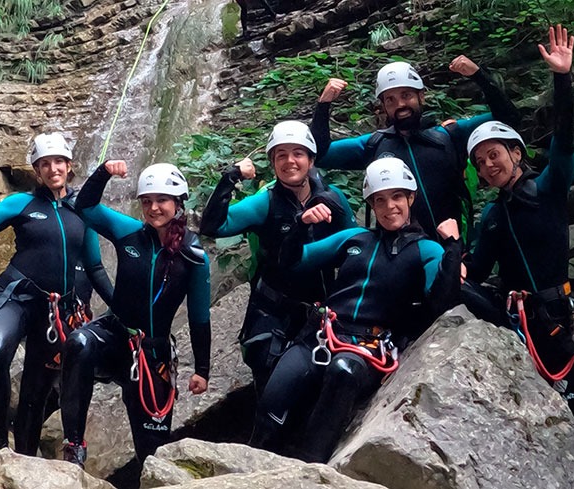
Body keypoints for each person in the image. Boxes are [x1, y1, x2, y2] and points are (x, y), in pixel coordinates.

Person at [249, 157, 462, 462]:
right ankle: (249, 466)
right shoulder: (355, 239)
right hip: (321, 336)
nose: (390, 207)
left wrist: (453, 248)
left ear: (411, 198)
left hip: (369, 347)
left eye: (397, 197)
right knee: (274, 398)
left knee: (343, 371)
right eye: (380, 200)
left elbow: (442, 303)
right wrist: (301, 225)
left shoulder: (426, 249)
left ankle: (311, 467)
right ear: (371, 206)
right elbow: (292, 263)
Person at [0, 133, 113, 455]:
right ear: (37, 170)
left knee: (36, 391)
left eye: (58, 162)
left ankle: (26, 458)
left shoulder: (83, 210)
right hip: (14, 297)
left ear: (69, 166)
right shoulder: (21, 203)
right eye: (45, 164)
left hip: (54, 310)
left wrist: (122, 309)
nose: (52, 168)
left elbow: (95, 268)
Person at [60, 160, 211, 467]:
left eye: (162, 200)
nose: (153, 208)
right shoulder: (129, 232)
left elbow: (199, 316)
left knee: (152, 454)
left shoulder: (194, 256)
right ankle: (74, 446)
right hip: (113, 335)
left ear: (179, 202)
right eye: (147, 201)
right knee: (78, 343)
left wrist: (203, 369)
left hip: (152, 354)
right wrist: (104, 171)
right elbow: (84, 206)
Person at [199, 120, 355, 395]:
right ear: (272, 162)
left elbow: (356, 246)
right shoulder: (266, 202)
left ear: (310, 159)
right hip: (273, 311)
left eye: (297, 153)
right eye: (281, 155)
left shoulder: (334, 199)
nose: (290, 161)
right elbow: (214, 227)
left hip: (322, 308)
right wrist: (230, 177)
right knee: (269, 375)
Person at [463, 25, 574, 390]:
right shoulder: (494, 216)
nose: (487, 166)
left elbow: (563, 140)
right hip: (513, 318)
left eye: (493, 155)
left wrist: (562, 79)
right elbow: (477, 270)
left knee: (565, 394)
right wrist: (446, 252)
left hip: (554, 315)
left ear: (516, 153)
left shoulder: (547, 188)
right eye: (479, 162)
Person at [311, 55, 520, 242]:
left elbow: (509, 119)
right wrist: (324, 104)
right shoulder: (374, 144)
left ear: (421, 96)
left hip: (455, 248)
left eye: (406, 95)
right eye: (390, 100)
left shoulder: (448, 135)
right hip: (405, 258)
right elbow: (318, 154)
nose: (400, 104)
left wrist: (478, 75)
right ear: (383, 107)